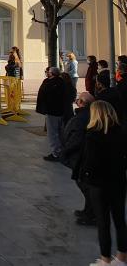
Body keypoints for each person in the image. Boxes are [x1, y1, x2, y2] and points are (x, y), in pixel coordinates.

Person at [80, 101, 127, 266]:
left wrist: (85, 175)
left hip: (99, 184)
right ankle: (122, 257)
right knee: (120, 220)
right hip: (118, 182)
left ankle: (105, 259)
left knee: (103, 222)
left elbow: (90, 162)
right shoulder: (120, 133)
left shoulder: (93, 135)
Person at [61, 92, 96, 226]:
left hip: (80, 156)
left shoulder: (82, 117)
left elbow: (76, 138)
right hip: (82, 156)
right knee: (84, 185)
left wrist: (66, 151)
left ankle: (92, 214)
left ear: (82, 103)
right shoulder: (88, 115)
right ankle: (88, 211)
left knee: (85, 186)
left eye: (78, 100)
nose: (76, 102)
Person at [36, 67, 68, 161]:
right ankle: (62, 151)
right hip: (60, 111)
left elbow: (43, 94)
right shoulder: (62, 82)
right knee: (60, 131)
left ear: (52, 74)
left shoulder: (49, 83)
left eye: (48, 72)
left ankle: (56, 153)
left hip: (52, 111)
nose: (46, 73)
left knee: (53, 133)